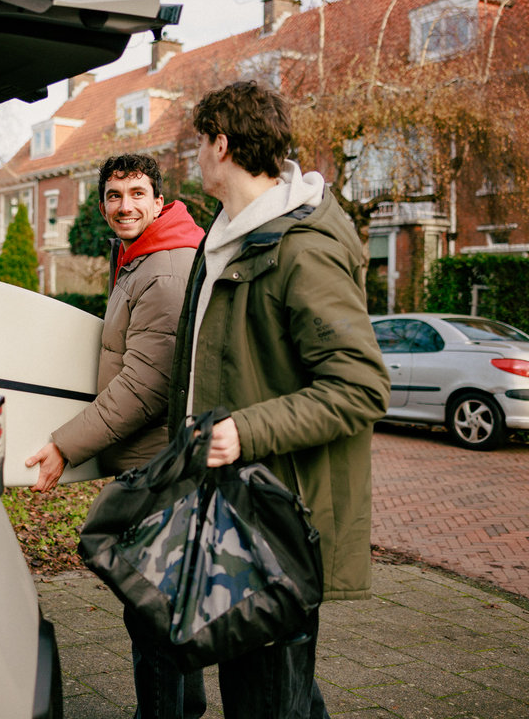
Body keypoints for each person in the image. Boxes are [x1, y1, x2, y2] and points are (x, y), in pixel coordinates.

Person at [167, 81, 390, 718]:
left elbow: (361, 386)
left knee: (266, 695)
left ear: (222, 144)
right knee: (276, 691)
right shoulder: (229, 237)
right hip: (230, 508)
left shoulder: (302, 248)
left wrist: (245, 430)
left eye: (199, 143)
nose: (196, 157)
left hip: (274, 519)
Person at [25, 152, 206, 719]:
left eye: (135, 194)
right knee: (166, 602)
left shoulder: (167, 267)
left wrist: (65, 444)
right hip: (151, 462)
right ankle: (187, 707)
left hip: (160, 465)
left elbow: (145, 386)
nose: (123, 206)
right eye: (113, 195)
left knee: (149, 607)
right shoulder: (141, 255)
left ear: (159, 201)